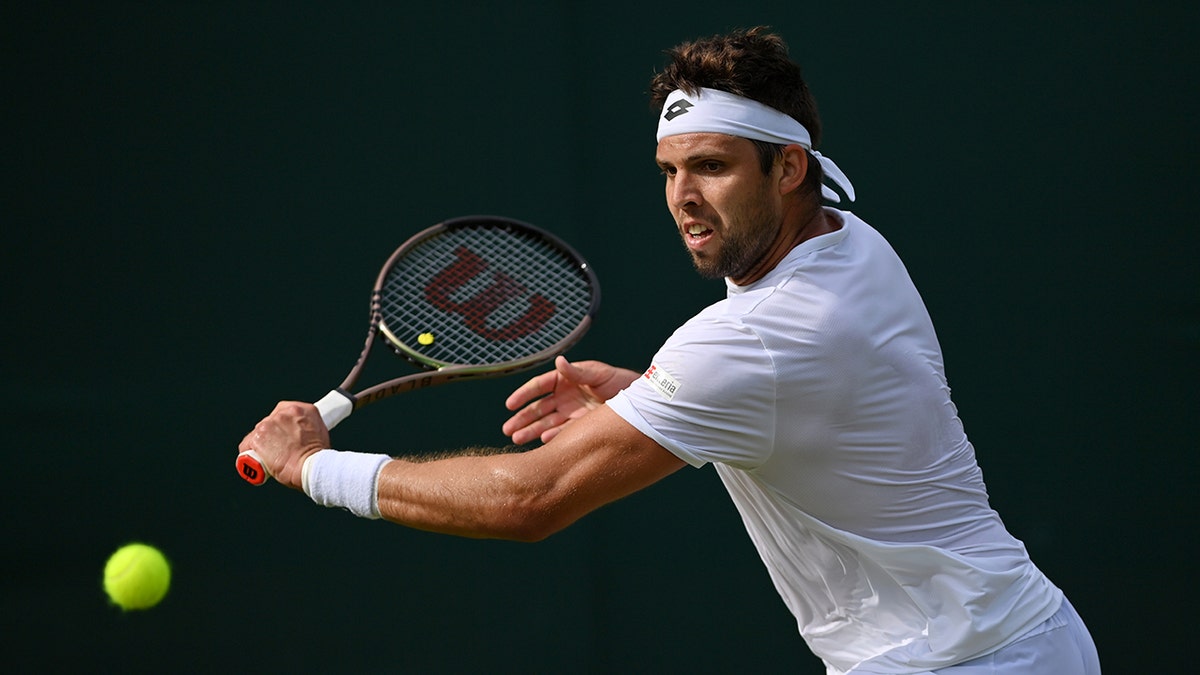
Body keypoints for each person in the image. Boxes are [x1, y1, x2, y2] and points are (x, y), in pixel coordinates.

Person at [240, 27, 1100, 674]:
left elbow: (526, 500)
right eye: (668, 169)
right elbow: (776, 391)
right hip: (1024, 637)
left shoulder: (753, 341)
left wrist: (313, 468)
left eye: (714, 167)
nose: (684, 198)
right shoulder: (845, 234)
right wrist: (649, 389)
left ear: (789, 167)